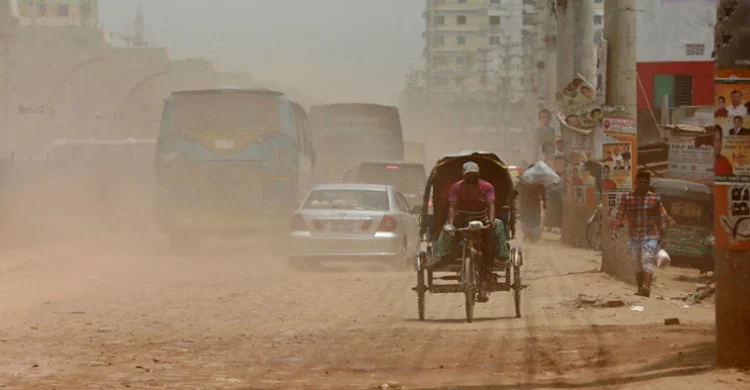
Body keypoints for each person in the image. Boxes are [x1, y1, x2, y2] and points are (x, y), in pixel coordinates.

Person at [430, 162, 510, 303]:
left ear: (478, 175)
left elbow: (490, 204)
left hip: (482, 218)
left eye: (474, 174)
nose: (471, 176)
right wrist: (452, 224)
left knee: (497, 226)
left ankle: (500, 255)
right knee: (447, 228)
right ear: (464, 175)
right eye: (469, 174)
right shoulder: (456, 187)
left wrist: (490, 221)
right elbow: (453, 207)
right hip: (463, 218)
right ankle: (442, 255)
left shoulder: (487, 187)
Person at [612, 170, 669, 298]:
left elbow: (661, 218)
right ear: (635, 182)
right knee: (637, 263)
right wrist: (617, 224)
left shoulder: (655, 198)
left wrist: (663, 235)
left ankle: (646, 287)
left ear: (648, 184)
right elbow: (620, 214)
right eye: (640, 181)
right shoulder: (627, 197)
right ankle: (640, 288)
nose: (643, 184)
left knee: (647, 259)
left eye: (645, 182)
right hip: (633, 236)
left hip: (651, 235)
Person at [518, 165, 547, 243]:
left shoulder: (524, 179)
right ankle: (530, 236)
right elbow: (543, 193)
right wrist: (544, 202)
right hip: (531, 204)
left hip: (529, 204)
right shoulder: (538, 180)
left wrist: (544, 202)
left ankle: (529, 236)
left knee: (529, 220)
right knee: (531, 221)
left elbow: (516, 189)